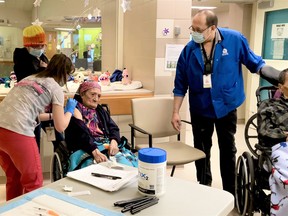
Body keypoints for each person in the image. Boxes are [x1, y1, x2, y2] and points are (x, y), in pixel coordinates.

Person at [171, 9, 279, 196]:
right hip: (200, 107)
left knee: (228, 149)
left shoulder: (235, 40)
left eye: (198, 29)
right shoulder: (189, 50)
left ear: (213, 28)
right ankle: (204, 189)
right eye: (192, 28)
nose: (193, 33)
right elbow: (180, 84)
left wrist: (280, 79)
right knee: (202, 150)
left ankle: (229, 192)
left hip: (226, 105)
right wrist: (175, 112)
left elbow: (256, 64)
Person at [0, 54, 77, 201]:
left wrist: (53, 115)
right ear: (64, 74)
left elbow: (30, 111)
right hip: (18, 131)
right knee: (34, 182)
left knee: (14, 176)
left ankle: (12, 212)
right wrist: (69, 111)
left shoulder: (29, 79)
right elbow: (60, 127)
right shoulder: (55, 88)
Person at [64, 81, 137, 169]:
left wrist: (114, 142)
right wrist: (95, 152)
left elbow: (113, 127)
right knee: (98, 170)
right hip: (85, 147)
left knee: (126, 165)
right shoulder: (74, 109)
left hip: (105, 145)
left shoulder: (100, 110)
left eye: (99, 96)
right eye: (93, 94)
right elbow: (81, 133)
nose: (96, 99)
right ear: (82, 94)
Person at [13, 24, 49, 150]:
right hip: (26, 107)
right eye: (36, 46)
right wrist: (43, 70)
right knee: (30, 144)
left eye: (42, 45)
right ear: (27, 45)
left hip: (40, 104)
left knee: (43, 142)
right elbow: (26, 80)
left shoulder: (42, 57)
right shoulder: (21, 58)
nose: (40, 48)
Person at [257, 69, 288, 216]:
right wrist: (283, 135)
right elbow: (264, 130)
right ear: (281, 87)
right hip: (279, 148)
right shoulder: (268, 105)